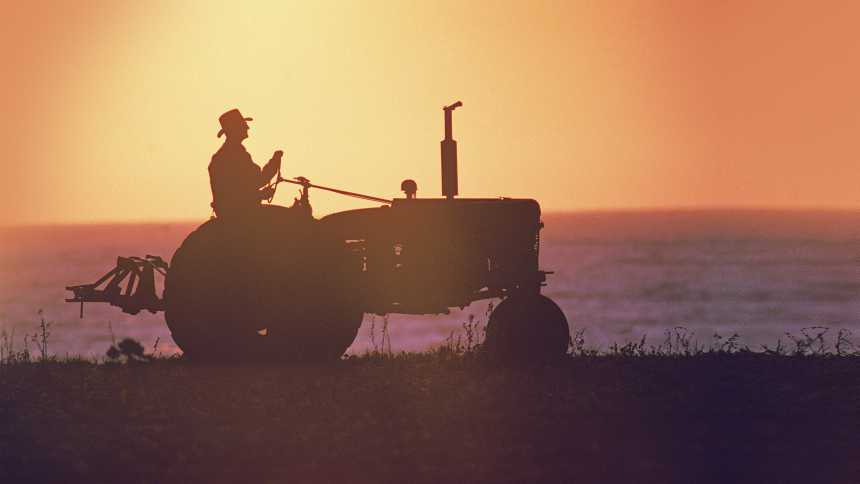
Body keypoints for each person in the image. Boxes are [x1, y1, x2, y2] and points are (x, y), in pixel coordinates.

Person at [208, 108, 283, 219]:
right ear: (235, 129)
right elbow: (256, 181)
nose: (247, 127)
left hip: (230, 212)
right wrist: (275, 162)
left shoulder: (227, 154)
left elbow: (244, 187)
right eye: (243, 124)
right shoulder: (235, 155)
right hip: (239, 215)